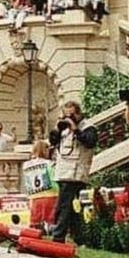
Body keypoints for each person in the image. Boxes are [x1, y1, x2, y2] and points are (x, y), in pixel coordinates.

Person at [49, 101, 97, 244]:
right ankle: (80, 238)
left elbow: (90, 142)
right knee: (72, 207)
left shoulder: (88, 127)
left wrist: (75, 129)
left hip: (76, 173)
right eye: (66, 114)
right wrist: (57, 129)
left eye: (71, 114)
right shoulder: (63, 129)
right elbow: (52, 142)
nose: (69, 117)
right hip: (63, 172)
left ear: (78, 113)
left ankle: (58, 236)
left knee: (64, 206)